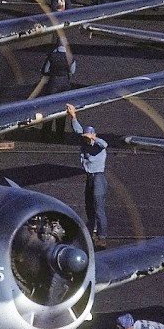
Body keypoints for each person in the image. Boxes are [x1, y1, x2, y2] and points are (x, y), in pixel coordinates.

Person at [67, 103, 107, 248]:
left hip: (98, 178)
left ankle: (102, 236)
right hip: (90, 178)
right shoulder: (83, 140)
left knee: (99, 208)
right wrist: (73, 116)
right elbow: (77, 130)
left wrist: (93, 138)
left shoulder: (97, 144)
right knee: (89, 206)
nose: (86, 140)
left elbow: (105, 144)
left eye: (88, 138)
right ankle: (91, 232)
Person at [28, 38, 76, 141]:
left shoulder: (52, 56)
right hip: (65, 84)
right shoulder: (70, 57)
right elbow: (72, 71)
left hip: (53, 83)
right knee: (63, 110)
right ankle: (60, 135)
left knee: (48, 108)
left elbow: (45, 70)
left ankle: (46, 134)